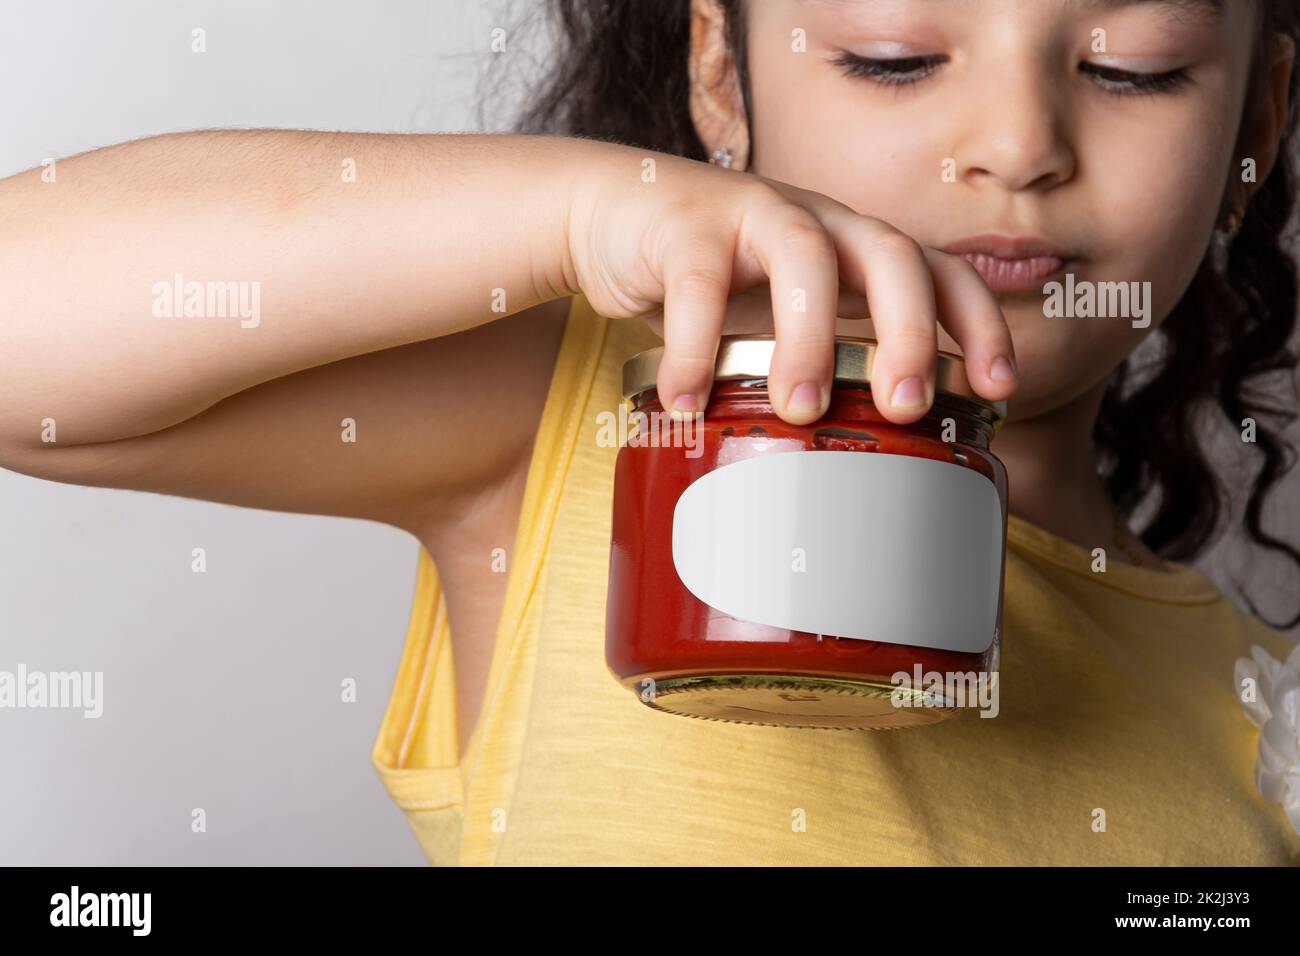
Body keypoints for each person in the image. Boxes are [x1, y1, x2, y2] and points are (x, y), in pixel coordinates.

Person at [2, 0, 1298, 864]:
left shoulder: (1259, 724)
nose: (1017, 145)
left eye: (1135, 65)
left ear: (1257, 121)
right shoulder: (586, 416)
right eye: (893, 54)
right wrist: (574, 211)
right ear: (723, 81)